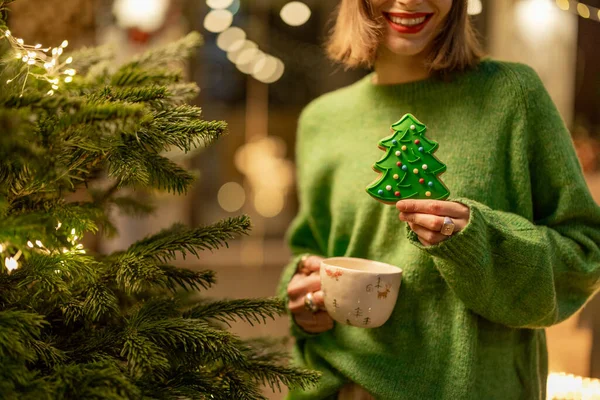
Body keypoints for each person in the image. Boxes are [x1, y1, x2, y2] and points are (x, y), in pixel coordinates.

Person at [277, 0, 600, 399]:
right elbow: (310, 250)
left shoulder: (513, 96)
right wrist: (304, 299)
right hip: (345, 385)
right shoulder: (321, 120)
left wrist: (477, 240)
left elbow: (585, 255)